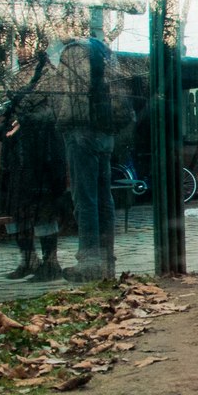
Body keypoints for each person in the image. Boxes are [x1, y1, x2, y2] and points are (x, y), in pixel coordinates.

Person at [0, 52, 68, 281]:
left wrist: (24, 122)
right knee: (17, 211)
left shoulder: (50, 77)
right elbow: (13, 117)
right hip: (18, 162)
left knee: (43, 212)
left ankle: (50, 264)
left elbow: (50, 114)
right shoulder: (23, 78)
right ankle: (28, 261)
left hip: (41, 160)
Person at [50, 35, 129, 282]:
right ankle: (107, 259)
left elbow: (66, 93)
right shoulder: (104, 51)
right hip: (106, 132)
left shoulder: (72, 52)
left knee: (85, 199)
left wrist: (60, 122)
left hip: (82, 130)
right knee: (104, 198)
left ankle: (89, 264)